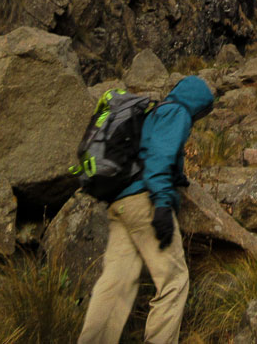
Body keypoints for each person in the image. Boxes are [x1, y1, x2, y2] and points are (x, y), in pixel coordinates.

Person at [77, 75, 215, 344]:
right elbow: (159, 158)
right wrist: (163, 204)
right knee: (174, 280)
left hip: (120, 203)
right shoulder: (177, 112)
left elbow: (154, 151)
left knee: (116, 284)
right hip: (144, 203)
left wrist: (179, 176)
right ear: (198, 103)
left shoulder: (155, 112)